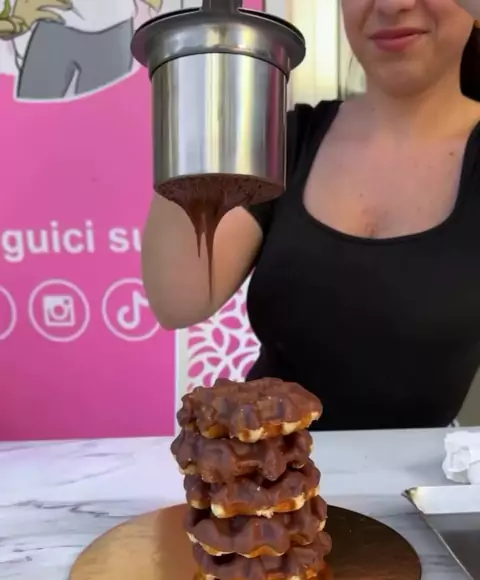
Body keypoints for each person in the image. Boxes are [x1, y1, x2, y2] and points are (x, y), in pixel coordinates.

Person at [142, 0, 480, 431]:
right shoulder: (280, 142)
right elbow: (178, 300)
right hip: (265, 463)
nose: (393, 4)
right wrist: (198, 78)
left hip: (420, 471)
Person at [1, 0, 162, 99]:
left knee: (105, 117)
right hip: (53, 25)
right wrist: (15, 22)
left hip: (112, 30)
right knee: (34, 111)